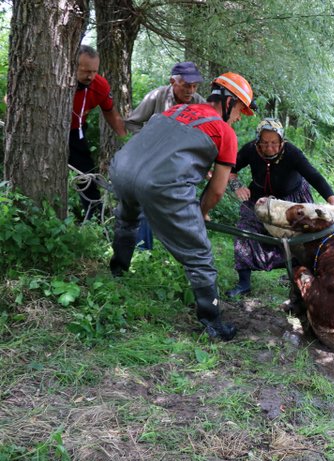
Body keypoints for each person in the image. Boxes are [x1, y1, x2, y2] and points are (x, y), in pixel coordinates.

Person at [108, 72, 256, 341]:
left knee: (127, 220)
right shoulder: (224, 132)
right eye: (239, 111)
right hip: (160, 184)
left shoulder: (176, 110)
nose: (237, 118)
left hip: (121, 170)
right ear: (229, 101)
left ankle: (116, 274)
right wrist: (200, 214)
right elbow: (218, 189)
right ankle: (212, 322)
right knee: (200, 255)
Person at [226, 118, 334, 299]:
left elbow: (314, 176)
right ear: (258, 141)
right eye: (264, 143)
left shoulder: (292, 152)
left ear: (281, 141)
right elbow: (230, 170)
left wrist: (333, 204)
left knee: (298, 238)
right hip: (260, 198)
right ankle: (244, 283)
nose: (269, 147)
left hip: (291, 198)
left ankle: (297, 272)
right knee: (245, 230)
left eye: (274, 143)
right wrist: (237, 186)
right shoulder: (250, 150)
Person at [124, 61, 207, 250]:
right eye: (186, 85)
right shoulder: (157, 96)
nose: (191, 91)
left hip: (181, 164)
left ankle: (187, 252)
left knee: (181, 206)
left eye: (194, 86)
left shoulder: (200, 103)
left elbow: (210, 134)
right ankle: (142, 250)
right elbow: (132, 123)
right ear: (172, 82)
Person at [70, 44, 127, 220]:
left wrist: (125, 139)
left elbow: (110, 112)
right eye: (86, 71)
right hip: (46, 130)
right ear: (74, 65)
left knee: (86, 175)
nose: (91, 76)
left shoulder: (100, 85)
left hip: (76, 132)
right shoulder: (54, 77)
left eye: (94, 71)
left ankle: (95, 217)